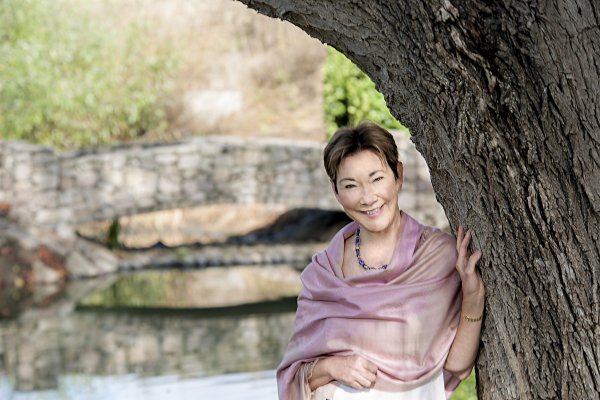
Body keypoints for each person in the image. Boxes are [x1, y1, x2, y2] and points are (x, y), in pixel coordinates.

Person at [277, 122, 485, 400]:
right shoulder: (322, 274)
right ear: (336, 193)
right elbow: (295, 375)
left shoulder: (438, 257)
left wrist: (473, 295)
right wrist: (331, 366)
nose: (367, 198)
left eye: (377, 179)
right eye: (350, 185)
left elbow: (456, 368)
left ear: (398, 175)